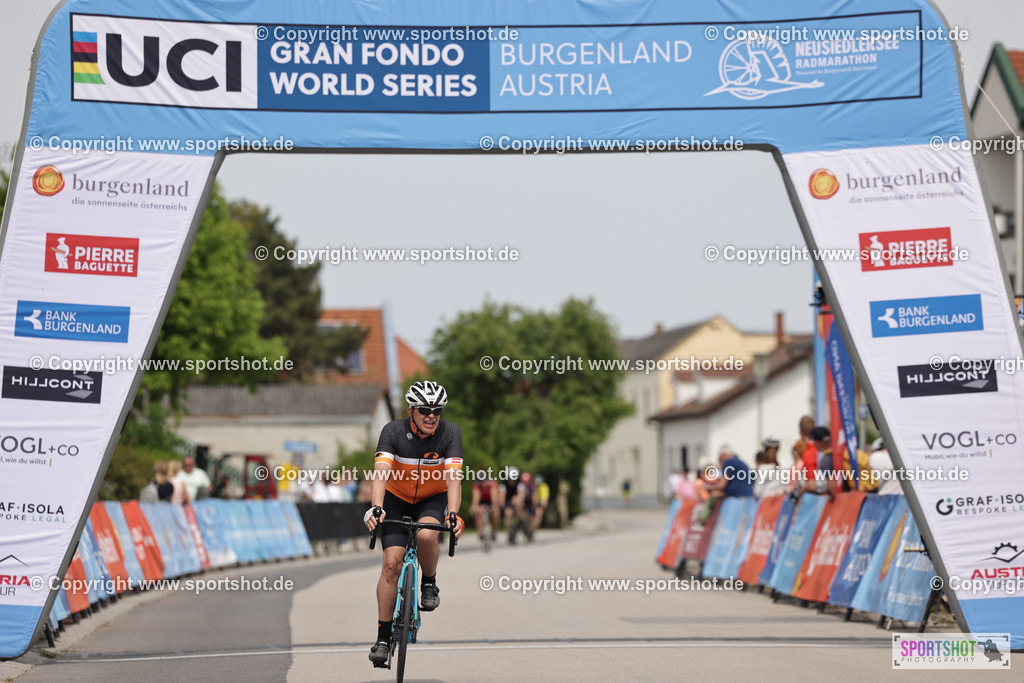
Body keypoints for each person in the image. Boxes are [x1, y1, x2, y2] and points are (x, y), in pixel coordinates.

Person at [363, 381, 464, 666]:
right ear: (411, 410)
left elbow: (454, 476)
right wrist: (377, 507)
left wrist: (453, 512)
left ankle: (429, 583)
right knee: (391, 565)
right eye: (424, 410)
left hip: (432, 499)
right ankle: (383, 639)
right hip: (396, 498)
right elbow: (381, 472)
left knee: (427, 535)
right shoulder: (393, 431)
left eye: (437, 410)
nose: (432, 416)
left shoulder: (450, 432)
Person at [469, 472, 499, 543]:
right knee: (479, 512)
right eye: (480, 481)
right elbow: (476, 497)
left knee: (494, 514)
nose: (482, 483)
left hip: (490, 501)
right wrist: (473, 507)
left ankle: (493, 532)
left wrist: (495, 507)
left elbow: (494, 497)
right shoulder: (476, 485)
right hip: (481, 501)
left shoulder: (492, 484)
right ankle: (480, 532)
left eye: (483, 481)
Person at [499, 467, 523, 544]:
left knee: (518, 503)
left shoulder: (519, 484)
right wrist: (503, 505)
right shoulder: (503, 484)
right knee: (507, 514)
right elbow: (502, 496)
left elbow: (521, 495)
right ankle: (509, 532)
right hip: (507, 500)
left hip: (515, 499)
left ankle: (520, 521)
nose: (512, 480)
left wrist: (518, 500)